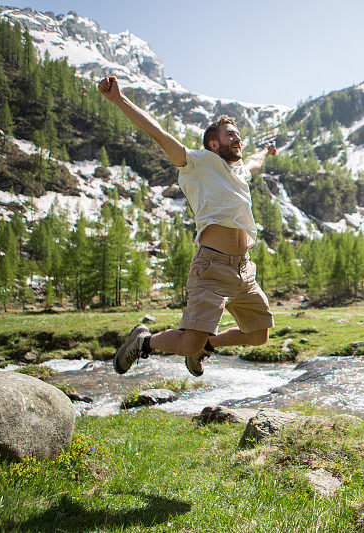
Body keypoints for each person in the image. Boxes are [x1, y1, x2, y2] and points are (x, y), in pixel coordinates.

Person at [98, 76, 276, 377]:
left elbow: (254, 161)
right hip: (212, 266)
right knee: (188, 342)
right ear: (213, 143)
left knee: (259, 334)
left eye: (238, 136)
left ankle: (207, 346)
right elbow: (157, 132)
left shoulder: (239, 171)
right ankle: (144, 341)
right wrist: (118, 99)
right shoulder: (197, 163)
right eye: (230, 134)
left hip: (243, 269)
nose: (237, 139)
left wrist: (266, 151)